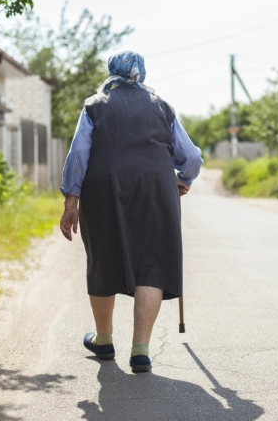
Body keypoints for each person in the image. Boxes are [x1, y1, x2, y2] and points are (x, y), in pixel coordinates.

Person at [59, 51, 203, 373]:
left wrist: (71, 201)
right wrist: (184, 180)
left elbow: (79, 155)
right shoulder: (161, 105)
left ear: (112, 71)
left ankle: (104, 340)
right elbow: (190, 157)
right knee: (151, 264)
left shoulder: (95, 104)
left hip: (103, 188)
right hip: (156, 189)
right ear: (142, 73)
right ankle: (140, 351)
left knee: (103, 260)